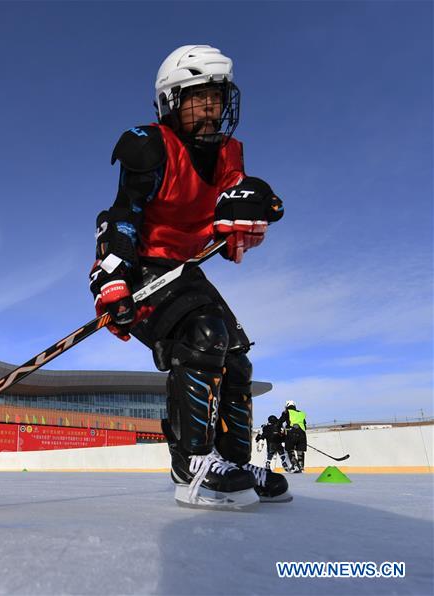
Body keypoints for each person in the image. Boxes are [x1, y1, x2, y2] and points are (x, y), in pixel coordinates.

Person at [89, 45, 288, 509]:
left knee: (235, 356)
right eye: (198, 99)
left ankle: (233, 463)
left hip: (186, 270)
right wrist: (111, 274)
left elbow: (233, 199)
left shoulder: (229, 153)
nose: (210, 110)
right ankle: (191, 464)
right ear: (170, 102)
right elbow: (121, 214)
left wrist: (257, 202)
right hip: (140, 265)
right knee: (202, 337)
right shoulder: (149, 144)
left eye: (216, 99)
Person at [280, 400, 307, 472]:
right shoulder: (301, 413)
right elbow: (304, 425)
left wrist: (280, 429)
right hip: (302, 433)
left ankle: (295, 465)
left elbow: (280, 422)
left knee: (290, 449)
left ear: (287, 406)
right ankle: (301, 466)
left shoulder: (286, 412)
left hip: (291, 432)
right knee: (300, 450)